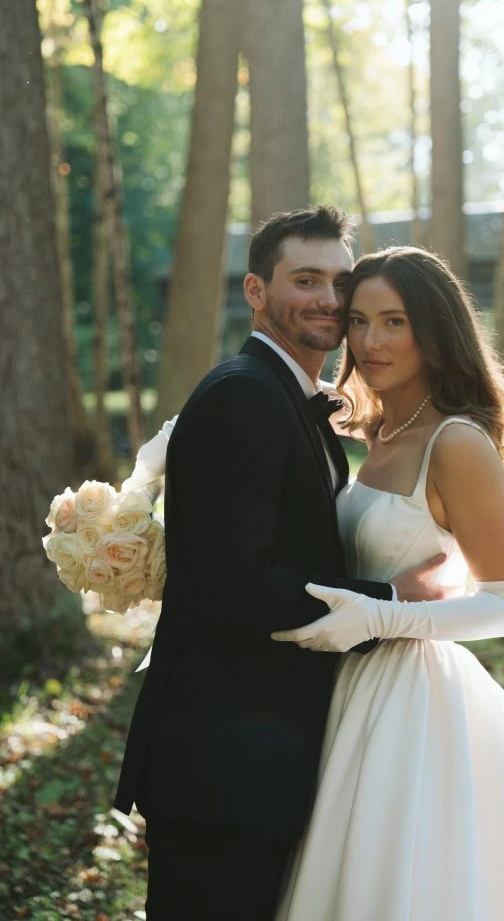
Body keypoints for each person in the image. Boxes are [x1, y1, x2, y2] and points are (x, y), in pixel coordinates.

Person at [273, 246, 504, 920]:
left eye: (394, 322)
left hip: (411, 696)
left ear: (434, 330)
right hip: (343, 688)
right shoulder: (376, 433)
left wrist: (382, 617)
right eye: (358, 321)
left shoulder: (455, 442)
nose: (370, 341)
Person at [113, 207, 444, 920]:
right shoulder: (245, 397)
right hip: (222, 760)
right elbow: (238, 582)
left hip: (258, 750)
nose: (329, 298)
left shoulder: (291, 399)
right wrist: (389, 598)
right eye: (305, 279)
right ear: (256, 291)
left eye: (339, 280)